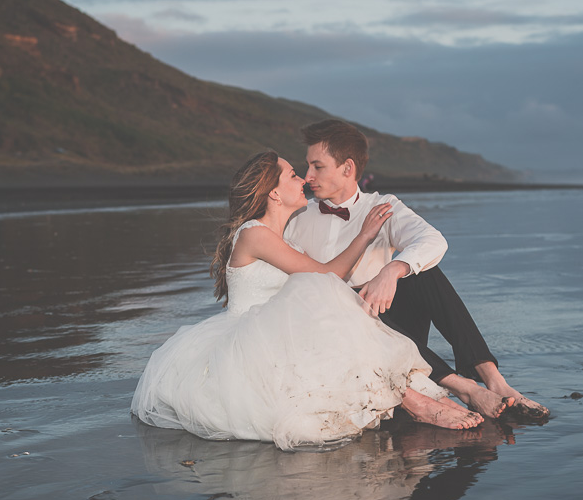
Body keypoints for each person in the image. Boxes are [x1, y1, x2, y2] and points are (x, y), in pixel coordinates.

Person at [131, 151, 484, 451]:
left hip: (280, 338)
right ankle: (419, 401)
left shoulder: (284, 239)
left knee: (328, 301)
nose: (303, 180)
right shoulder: (254, 234)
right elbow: (326, 275)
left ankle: (432, 391)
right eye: (293, 174)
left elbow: (324, 276)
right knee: (324, 294)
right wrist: (365, 234)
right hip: (248, 343)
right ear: (273, 193)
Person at [284, 119, 549, 421]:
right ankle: (463, 389)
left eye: (317, 167)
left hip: (395, 322)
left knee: (423, 271)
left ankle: (494, 380)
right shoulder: (298, 218)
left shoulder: (383, 206)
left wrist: (393, 269)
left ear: (347, 168)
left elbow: (433, 240)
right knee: (346, 298)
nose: (307, 176)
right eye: (307, 166)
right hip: (344, 334)